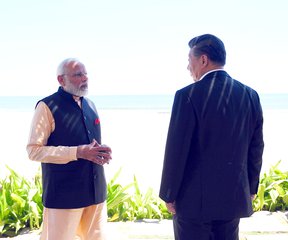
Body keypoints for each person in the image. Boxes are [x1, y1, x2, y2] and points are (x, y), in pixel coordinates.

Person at [159, 34, 264, 240]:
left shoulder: (187, 95)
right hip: (233, 198)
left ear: (203, 60)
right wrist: (251, 188)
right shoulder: (250, 95)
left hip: (193, 202)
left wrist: (169, 193)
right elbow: (256, 146)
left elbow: (176, 150)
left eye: (189, 60)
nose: (188, 67)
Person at [26, 58, 112, 240]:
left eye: (85, 74)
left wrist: (101, 153)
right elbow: (34, 151)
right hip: (63, 196)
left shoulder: (90, 105)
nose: (84, 78)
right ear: (61, 79)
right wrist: (77, 152)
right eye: (78, 74)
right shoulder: (47, 106)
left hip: (95, 193)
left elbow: (90, 145)